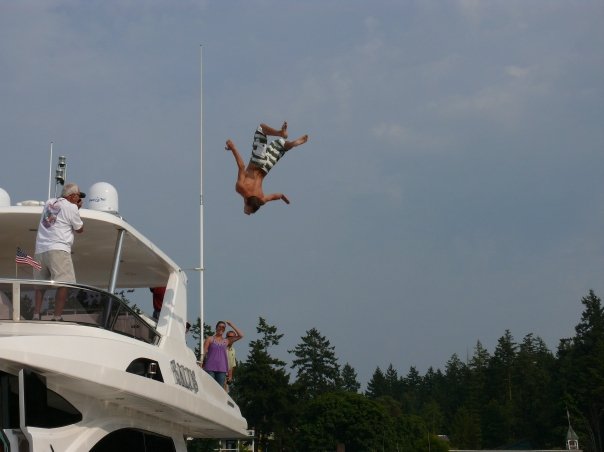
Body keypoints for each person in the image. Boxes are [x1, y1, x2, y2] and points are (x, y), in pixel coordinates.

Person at [225, 121, 309, 215]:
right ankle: (280, 133)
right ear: (245, 203)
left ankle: (293, 144)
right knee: (261, 129)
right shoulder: (240, 188)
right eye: (245, 208)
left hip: (266, 168)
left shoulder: (261, 200)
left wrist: (284, 198)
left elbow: (277, 196)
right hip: (257, 161)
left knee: (279, 145)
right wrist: (233, 148)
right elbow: (241, 167)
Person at [33, 183, 85, 321]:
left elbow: (54, 220)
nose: (79, 199)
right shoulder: (72, 207)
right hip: (58, 249)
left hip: (40, 250)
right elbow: (79, 229)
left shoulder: (50, 202)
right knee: (64, 284)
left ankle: (36, 315)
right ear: (73, 196)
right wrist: (77, 209)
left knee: (40, 285)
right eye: (79, 196)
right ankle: (57, 317)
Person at [203, 320, 243, 388]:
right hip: (210, 368)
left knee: (219, 390)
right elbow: (204, 352)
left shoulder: (226, 341)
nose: (221, 328)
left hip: (222, 369)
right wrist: (201, 364)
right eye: (220, 326)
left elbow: (241, 335)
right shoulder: (210, 339)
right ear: (216, 327)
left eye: (223, 327)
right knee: (209, 388)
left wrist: (231, 325)